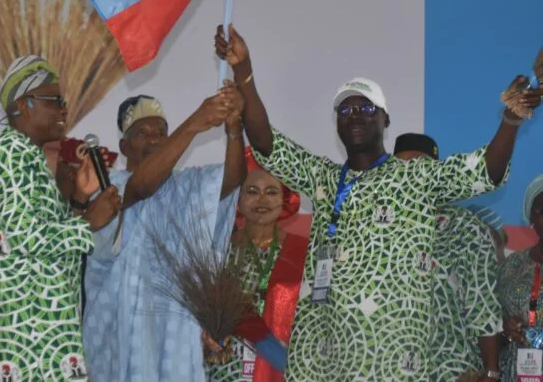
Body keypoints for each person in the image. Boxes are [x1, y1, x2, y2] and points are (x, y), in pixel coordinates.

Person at [215, 24, 541, 381]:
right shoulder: (322, 178)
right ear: (336, 124)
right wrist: (243, 71)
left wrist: (510, 121)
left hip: (394, 362)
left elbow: (485, 171)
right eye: (345, 110)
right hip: (326, 361)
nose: (355, 115)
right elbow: (266, 143)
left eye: (367, 108)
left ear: (386, 120)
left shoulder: (415, 176)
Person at [83, 89, 246, 382]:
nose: (154, 139)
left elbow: (232, 179)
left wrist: (234, 129)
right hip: (116, 334)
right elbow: (142, 186)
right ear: (123, 146)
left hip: (173, 334)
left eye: (161, 132)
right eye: (142, 133)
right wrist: (195, 123)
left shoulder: (186, 185)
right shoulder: (109, 190)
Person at [0, 55, 121, 381]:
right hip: (24, 329)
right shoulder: (11, 150)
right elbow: (24, 236)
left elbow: (47, 236)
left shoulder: (29, 155)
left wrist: (80, 200)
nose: (64, 109)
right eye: (55, 100)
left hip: (43, 326)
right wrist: (89, 222)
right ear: (25, 105)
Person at [394, 133, 502, 382]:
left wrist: (491, 371)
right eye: (401, 167)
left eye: (420, 167)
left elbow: (482, 303)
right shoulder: (381, 228)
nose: (411, 176)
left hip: (451, 369)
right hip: (390, 371)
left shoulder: (464, 227)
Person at [205, 147, 300, 381]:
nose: (262, 200)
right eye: (252, 191)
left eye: (271, 192)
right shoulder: (218, 250)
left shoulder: (302, 252)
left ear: (284, 199)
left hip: (281, 366)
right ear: (239, 199)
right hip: (229, 369)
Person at [498, 175, 543, 382]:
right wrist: (506, 328)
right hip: (515, 371)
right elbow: (491, 318)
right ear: (532, 218)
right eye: (541, 210)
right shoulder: (513, 264)